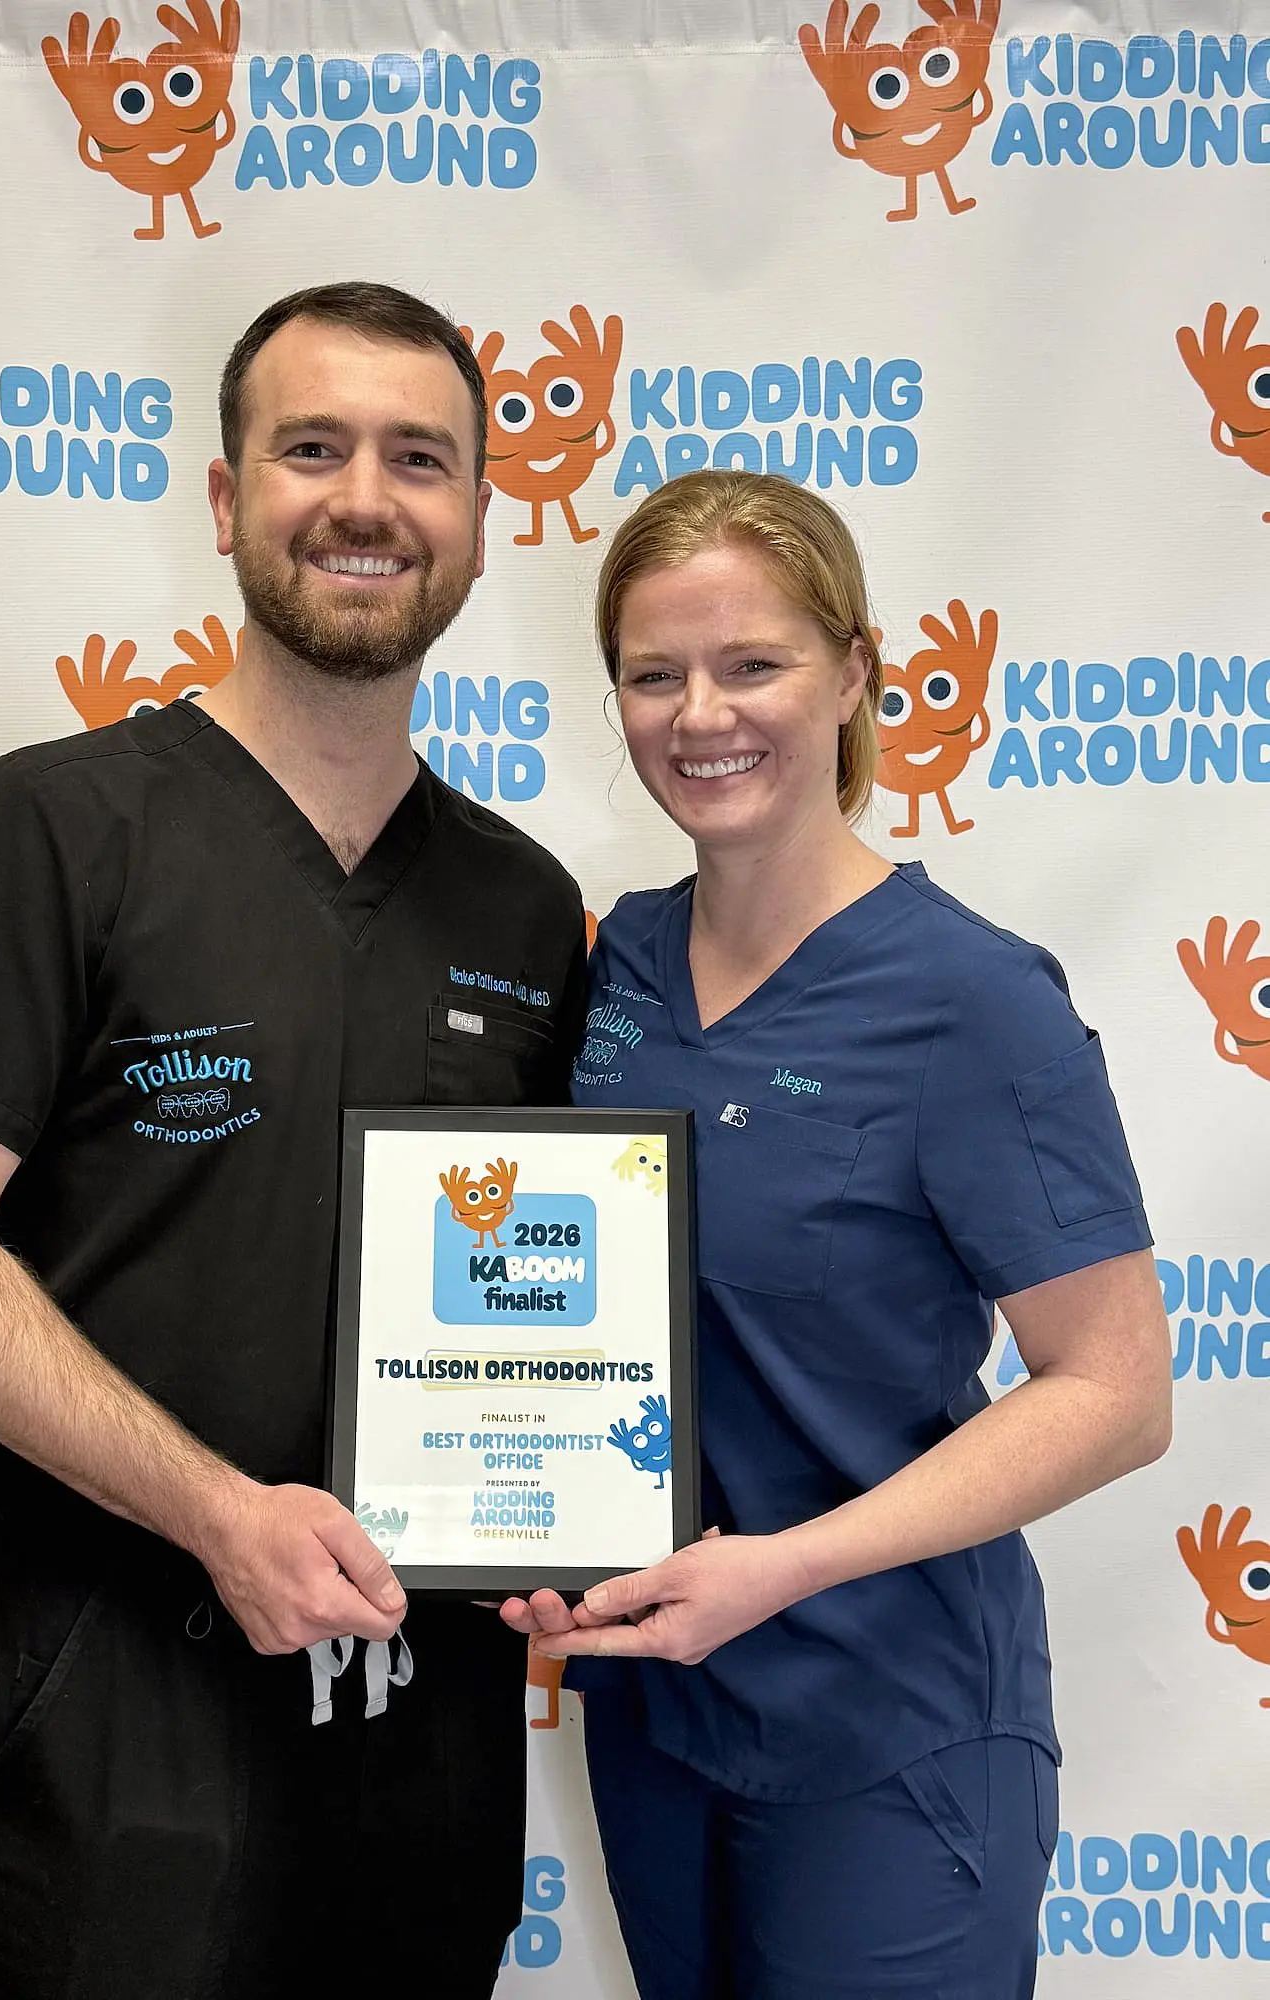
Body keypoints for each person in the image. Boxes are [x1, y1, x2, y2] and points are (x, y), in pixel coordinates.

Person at [0, 281, 588, 2000]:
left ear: (480, 524)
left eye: (421, 459)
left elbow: (551, 1301)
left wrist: (567, 1529)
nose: (366, 498)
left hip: (429, 1700)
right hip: (119, 1691)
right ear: (229, 496)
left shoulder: (528, 906)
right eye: (311, 447)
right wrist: (215, 1511)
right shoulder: (55, 824)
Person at [502, 470, 1171, 1998]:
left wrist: (786, 1566)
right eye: (654, 673)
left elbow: (1117, 1392)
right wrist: (523, 1538)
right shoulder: (615, 969)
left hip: (895, 1721)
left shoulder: (975, 1001)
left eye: (754, 664)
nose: (700, 713)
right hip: (659, 1706)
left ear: (858, 670)